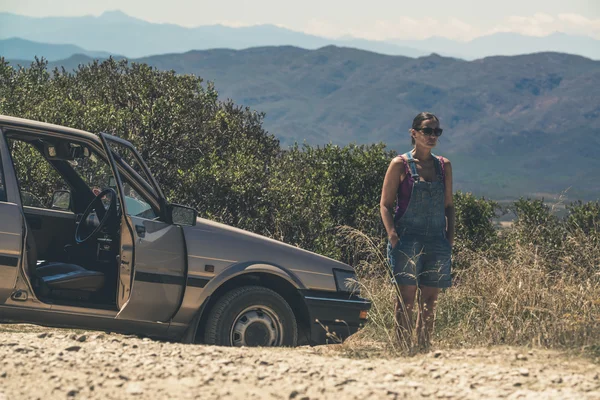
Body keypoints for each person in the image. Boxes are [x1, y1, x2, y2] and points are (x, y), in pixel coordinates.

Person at [379, 112, 454, 348]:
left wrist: (449, 238)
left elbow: (449, 205)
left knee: (430, 300)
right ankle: (401, 348)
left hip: (436, 240)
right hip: (406, 239)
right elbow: (385, 204)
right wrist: (392, 235)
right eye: (427, 131)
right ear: (414, 133)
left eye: (436, 132)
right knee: (406, 300)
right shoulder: (400, 164)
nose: (432, 136)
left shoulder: (444, 166)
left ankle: (423, 348)